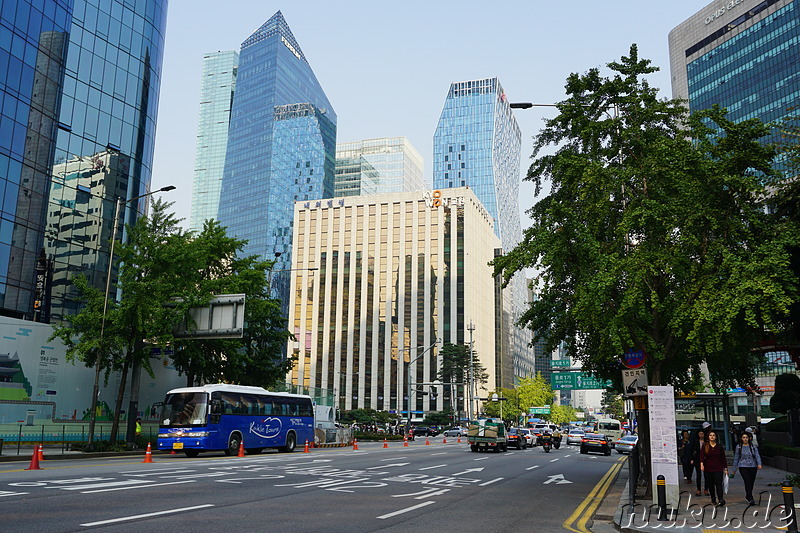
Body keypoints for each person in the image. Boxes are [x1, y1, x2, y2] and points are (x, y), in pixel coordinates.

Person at [731, 431, 762, 505]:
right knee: (747, 481)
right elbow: (736, 458)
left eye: (746, 437)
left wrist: (759, 464)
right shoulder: (739, 446)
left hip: (753, 465)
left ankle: (748, 495)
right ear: (741, 438)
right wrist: (734, 468)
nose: (745, 439)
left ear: (749, 438)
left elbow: (757, 455)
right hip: (743, 466)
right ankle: (750, 497)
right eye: (744, 437)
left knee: (751, 482)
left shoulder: (753, 446)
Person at [699, 429, 728, 507]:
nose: (712, 437)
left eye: (713, 435)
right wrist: (701, 464)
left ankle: (721, 499)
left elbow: (723, 458)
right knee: (710, 484)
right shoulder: (705, 446)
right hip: (708, 468)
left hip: (718, 468)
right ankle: (713, 498)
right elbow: (701, 456)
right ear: (708, 437)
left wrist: (725, 468)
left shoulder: (719, 446)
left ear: (716, 437)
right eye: (710, 435)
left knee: (718, 484)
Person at [692, 429, 707, 496]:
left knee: (706, 475)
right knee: (698, 475)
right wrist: (692, 459)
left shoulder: (706, 442)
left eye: (702, 434)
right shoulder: (695, 441)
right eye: (700, 434)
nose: (701, 435)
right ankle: (698, 489)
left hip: (706, 460)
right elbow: (692, 450)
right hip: (697, 460)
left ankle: (706, 489)